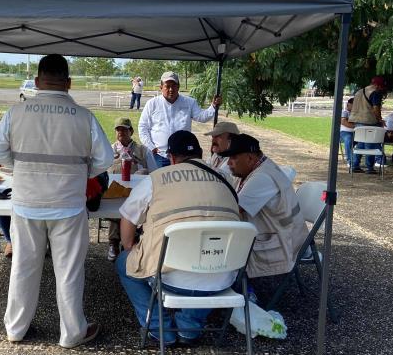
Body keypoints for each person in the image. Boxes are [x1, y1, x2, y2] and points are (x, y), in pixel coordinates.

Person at [0, 54, 114, 348]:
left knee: (23, 266)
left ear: (36, 81)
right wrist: (81, 172)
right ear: (68, 83)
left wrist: (21, 168)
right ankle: (72, 334)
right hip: (68, 204)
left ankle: (16, 329)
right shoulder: (84, 117)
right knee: (69, 272)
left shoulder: (16, 112)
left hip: (27, 202)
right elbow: (105, 159)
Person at [116, 131, 240, 347]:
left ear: (171, 157)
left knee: (123, 263)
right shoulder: (226, 178)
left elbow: (128, 217)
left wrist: (129, 248)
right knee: (204, 265)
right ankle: (189, 328)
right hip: (222, 274)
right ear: (201, 154)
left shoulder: (157, 179)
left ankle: (157, 327)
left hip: (169, 277)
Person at [220, 133, 308, 280]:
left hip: (283, 243)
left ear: (250, 158)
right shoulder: (257, 168)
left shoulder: (262, 177)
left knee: (221, 248)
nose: (229, 163)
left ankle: (245, 292)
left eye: (234, 158)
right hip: (279, 234)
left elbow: (232, 211)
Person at [138, 71, 222, 168]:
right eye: (167, 86)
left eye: (174, 86)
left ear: (178, 87)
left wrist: (213, 106)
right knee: (159, 182)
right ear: (161, 87)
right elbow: (143, 127)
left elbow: (201, 117)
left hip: (183, 156)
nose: (171, 89)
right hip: (159, 156)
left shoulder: (189, 102)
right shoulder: (152, 104)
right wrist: (151, 147)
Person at [106, 117, 157, 262]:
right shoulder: (110, 150)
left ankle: (129, 242)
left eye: (124, 129)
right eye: (118, 129)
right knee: (118, 208)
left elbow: (155, 173)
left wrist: (140, 167)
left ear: (131, 131)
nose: (121, 132)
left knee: (131, 208)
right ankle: (114, 243)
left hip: (137, 195)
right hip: (114, 193)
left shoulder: (143, 150)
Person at [349, 76, 387, 174]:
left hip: (357, 121)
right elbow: (375, 109)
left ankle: (355, 165)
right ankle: (370, 167)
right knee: (371, 145)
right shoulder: (375, 93)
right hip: (369, 121)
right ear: (378, 85)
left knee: (360, 144)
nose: (382, 89)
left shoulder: (359, 91)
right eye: (382, 87)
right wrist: (380, 119)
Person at [340, 98, 355, 166]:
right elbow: (343, 122)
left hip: (357, 133)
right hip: (345, 132)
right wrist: (356, 126)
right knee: (348, 139)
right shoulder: (345, 112)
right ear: (348, 104)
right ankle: (350, 161)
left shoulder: (358, 114)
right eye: (353, 105)